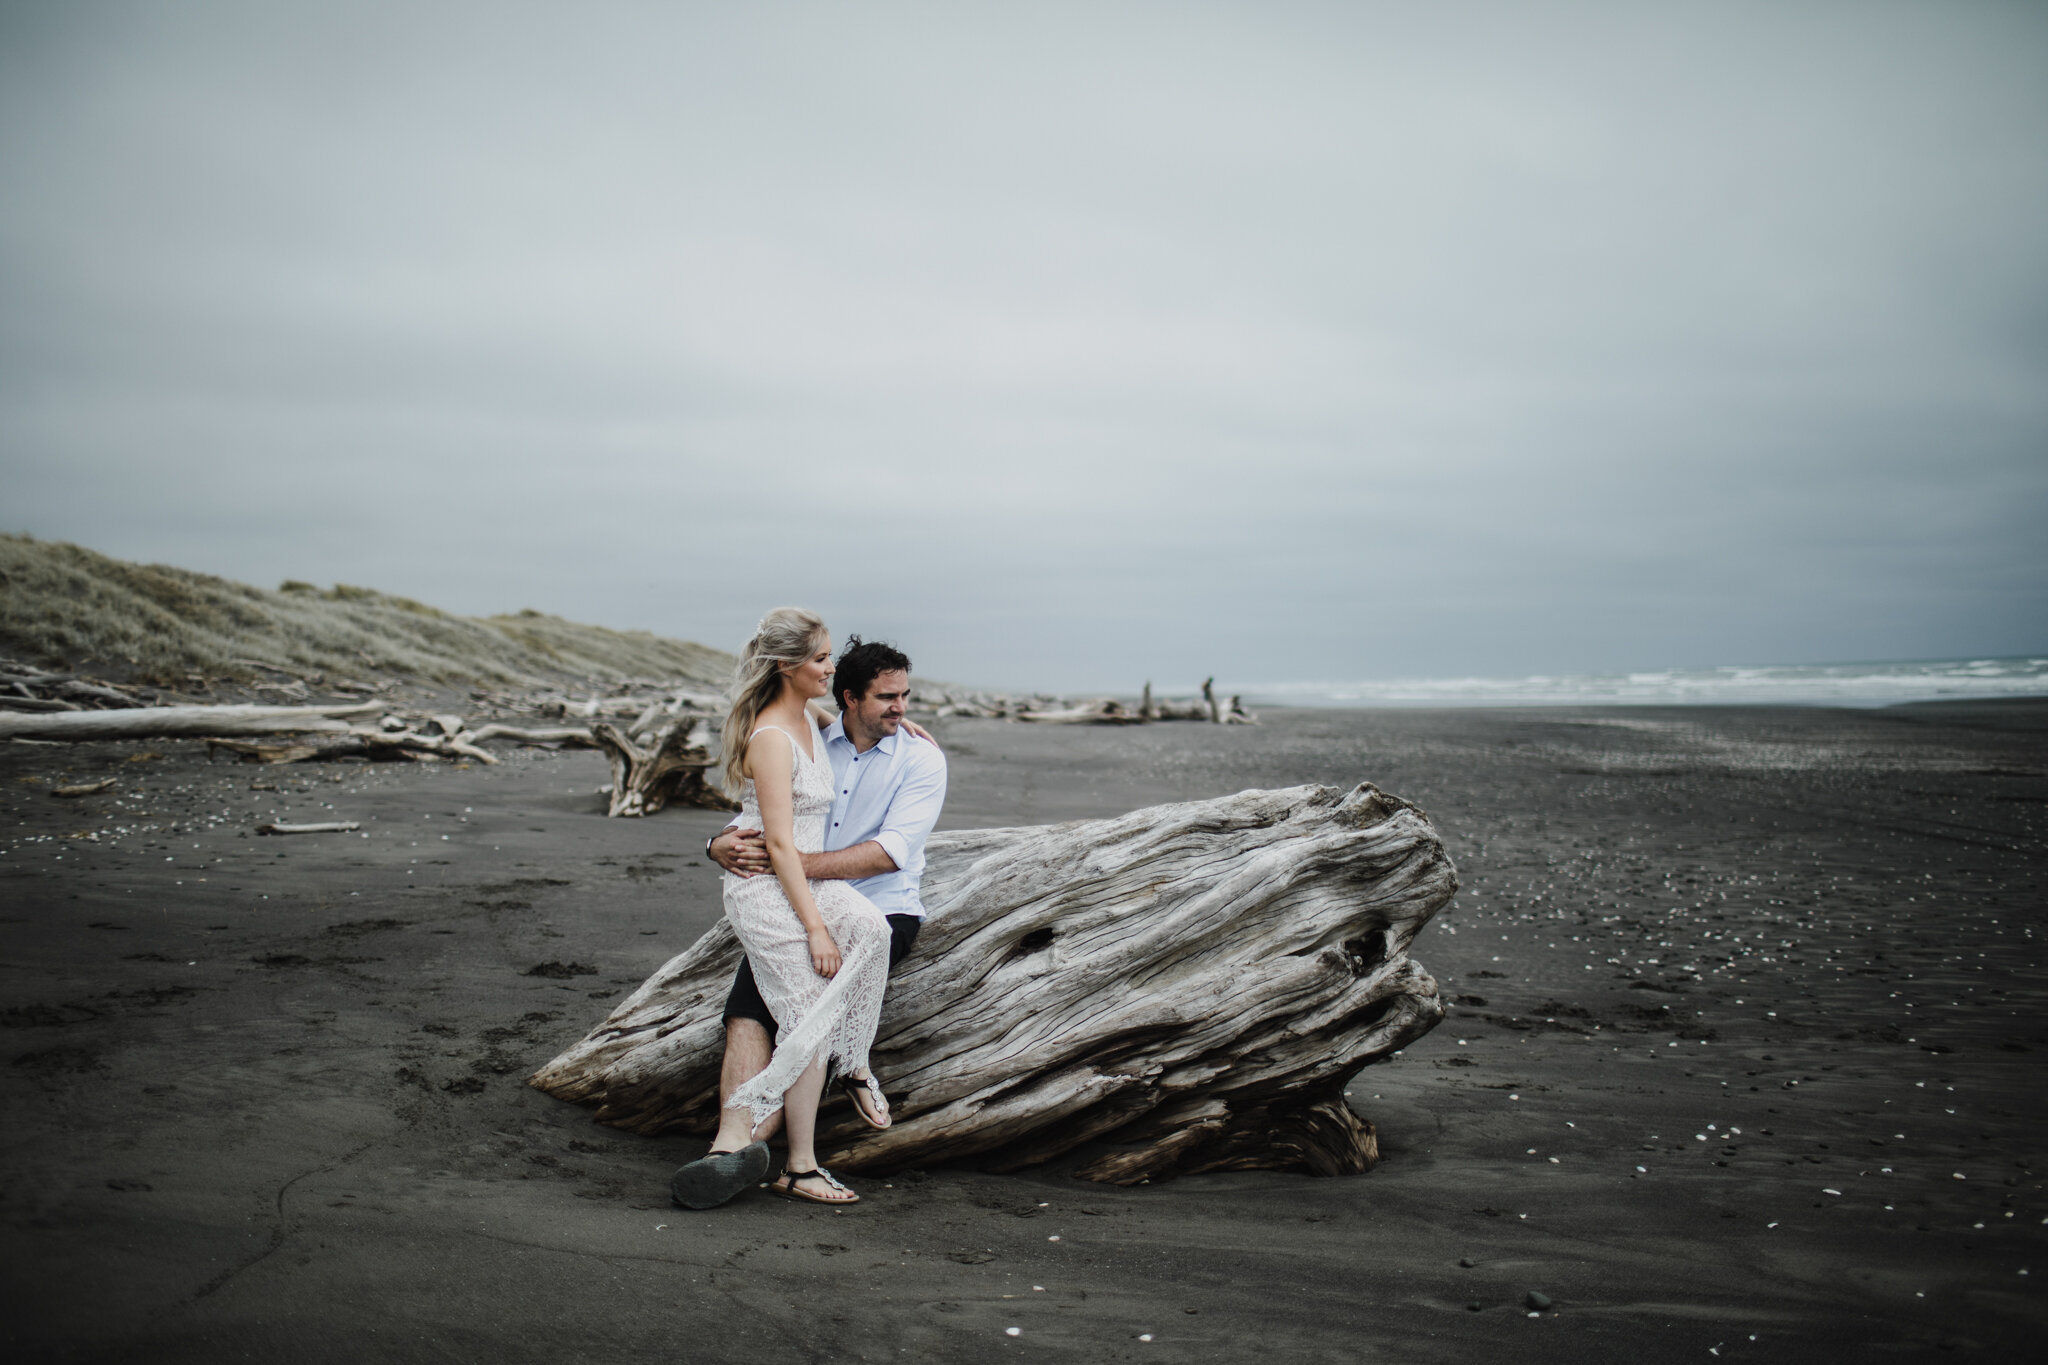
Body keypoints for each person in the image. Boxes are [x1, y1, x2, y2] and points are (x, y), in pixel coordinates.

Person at [668, 620, 947, 1209]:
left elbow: (886, 854)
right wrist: (720, 844)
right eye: (887, 697)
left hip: (881, 904)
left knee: (815, 1005)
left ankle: (852, 1066)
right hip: (793, 899)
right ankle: (732, 1147)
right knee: (749, 1006)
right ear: (848, 698)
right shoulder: (815, 731)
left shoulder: (920, 759)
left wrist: (784, 862)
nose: (901, 708)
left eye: (905, 697)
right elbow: (766, 812)